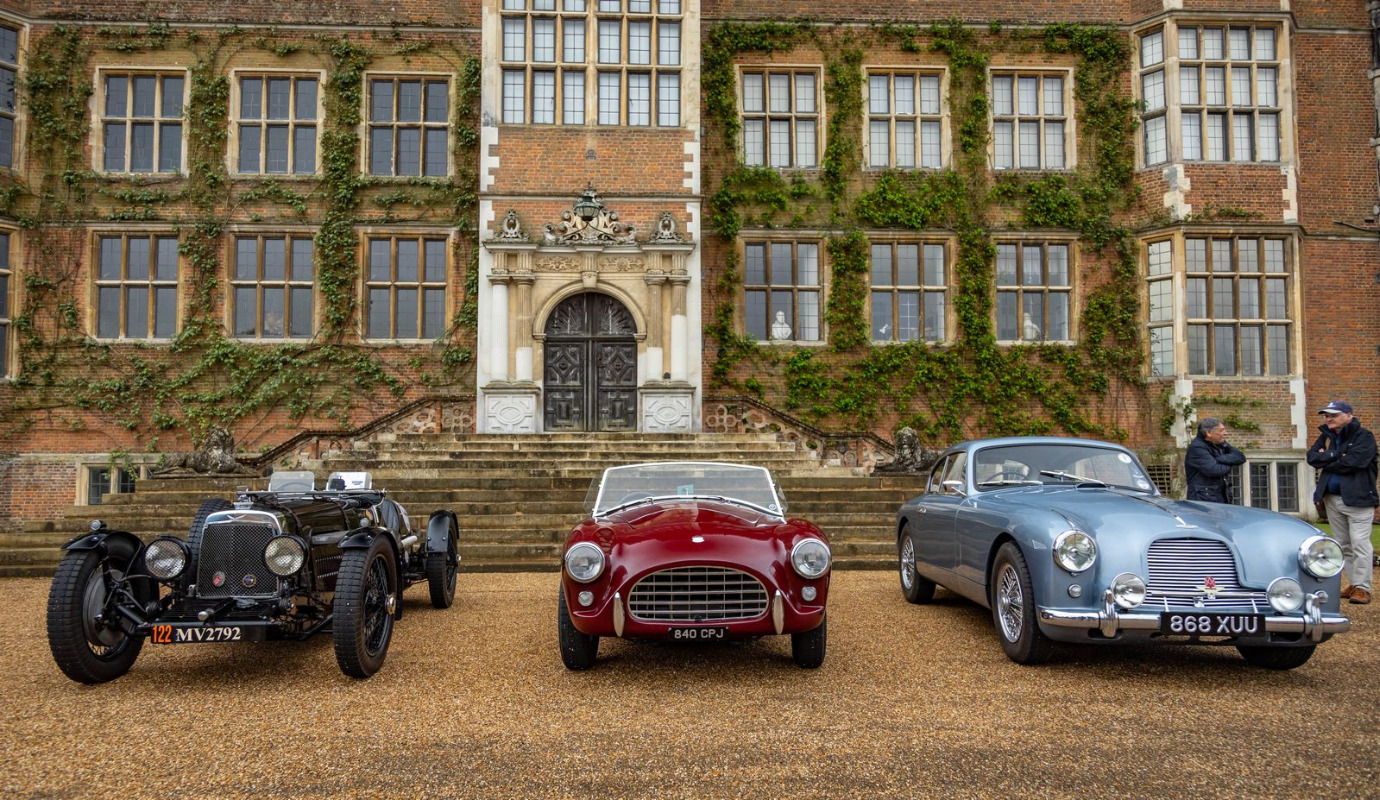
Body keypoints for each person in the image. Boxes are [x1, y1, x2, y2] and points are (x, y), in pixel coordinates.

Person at [1306, 400, 1377, 604]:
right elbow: (1312, 458)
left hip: (1358, 499)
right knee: (1344, 545)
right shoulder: (1326, 436)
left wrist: (1327, 459)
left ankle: (1363, 588)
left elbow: (1355, 463)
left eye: (1334, 415)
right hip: (1331, 498)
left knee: (1360, 544)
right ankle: (1354, 584)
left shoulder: (1364, 436)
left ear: (1349, 416)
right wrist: (1336, 455)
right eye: (1327, 415)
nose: (1329, 418)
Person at [1184, 417, 1246, 503]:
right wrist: (1231, 462)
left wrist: (1220, 459)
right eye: (1221, 430)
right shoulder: (1197, 447)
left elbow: (1241, 457)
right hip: (1204, 502)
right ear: (1208, 433)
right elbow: (1215, 470)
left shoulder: (1221, 443)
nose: (1225, 433)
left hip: (1220, 499)